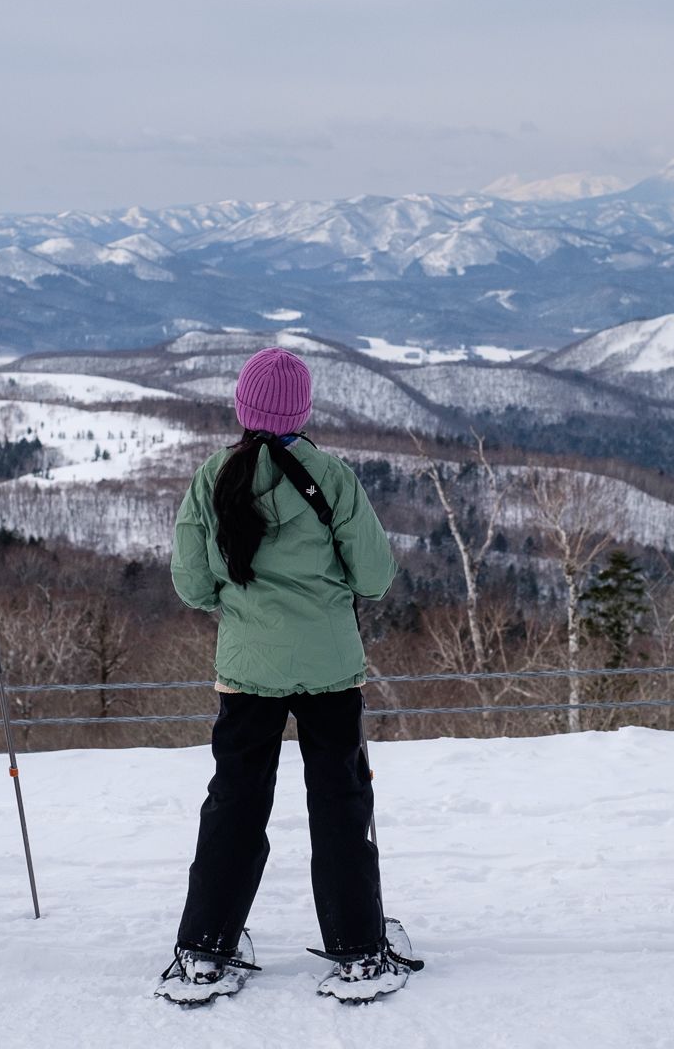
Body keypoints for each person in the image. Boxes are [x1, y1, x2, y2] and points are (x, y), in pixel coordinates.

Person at [159, 346, 412, 1004]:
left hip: (247, 669)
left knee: (236, 803)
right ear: (302, 411)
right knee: (339, 804)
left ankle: (204, 949)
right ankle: (358, 950)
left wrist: (240, 611)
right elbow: (376, 577)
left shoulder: (211, 477)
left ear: (243, 408)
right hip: (330, 667)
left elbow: (191, 584)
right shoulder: (330, 476)